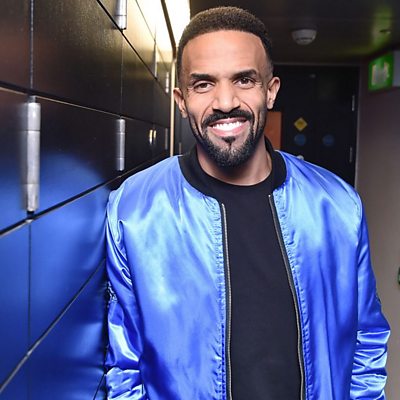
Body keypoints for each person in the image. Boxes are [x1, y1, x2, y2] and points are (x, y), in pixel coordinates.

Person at [105, 6, 390, 399]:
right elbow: (125, 365)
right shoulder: (134, 210)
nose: (225, 101)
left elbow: (366, 339)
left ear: (270, 90)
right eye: (203, 84)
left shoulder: (337, 205)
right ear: (181, 100)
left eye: (244, 80)